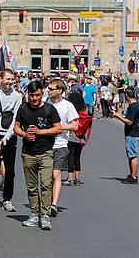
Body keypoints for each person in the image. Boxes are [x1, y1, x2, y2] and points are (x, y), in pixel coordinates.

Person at [14, 81, 61, 230]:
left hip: (45, 152)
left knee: (46, 184)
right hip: (28, 153)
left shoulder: (49, 109)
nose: (34, 98)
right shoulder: (23, 109)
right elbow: (16, 127)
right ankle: (35, 214)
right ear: (28, 94)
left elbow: (58, 128)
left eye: (37, 95)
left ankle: (45, 215)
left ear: (42, 94)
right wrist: (24, 134)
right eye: (32, 95)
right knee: (32, 186)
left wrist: (40, 132)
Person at [0, 68, 21, 213]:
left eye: (12, 80)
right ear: (1, 79)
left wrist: (7, 136)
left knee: (10, 169)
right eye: (8, 79)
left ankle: (7, 199)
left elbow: (16, 119)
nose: (10, 82)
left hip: (9, 135)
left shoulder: (17, 97)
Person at [45, 79, 78, 217]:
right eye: (48, 88)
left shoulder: (67, 106)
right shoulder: (45, 104)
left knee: (55, 174)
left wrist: (59, 127)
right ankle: (45, 202)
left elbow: (75, 125)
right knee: (46, 177)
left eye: (51, 89)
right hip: (45, 144)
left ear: (59, 90)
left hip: (60, 144)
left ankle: (54, 204)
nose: (48, 90)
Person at [112, 89, 139, 184]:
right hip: (133, 133)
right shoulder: (135, 105)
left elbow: (129, 122)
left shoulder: (133, 107)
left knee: (132, 155)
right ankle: (131, 174)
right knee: (130, 155)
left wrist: (118, 116)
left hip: (133, 133)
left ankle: (133, 177)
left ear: (126, 96)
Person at [65, 93, 88, 186]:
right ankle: (77, 178)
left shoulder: (71, 111)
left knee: (70, 157)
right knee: (77, 157)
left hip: (71, 136)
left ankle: (70, 178)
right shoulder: (84, 113)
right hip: (80, 138)